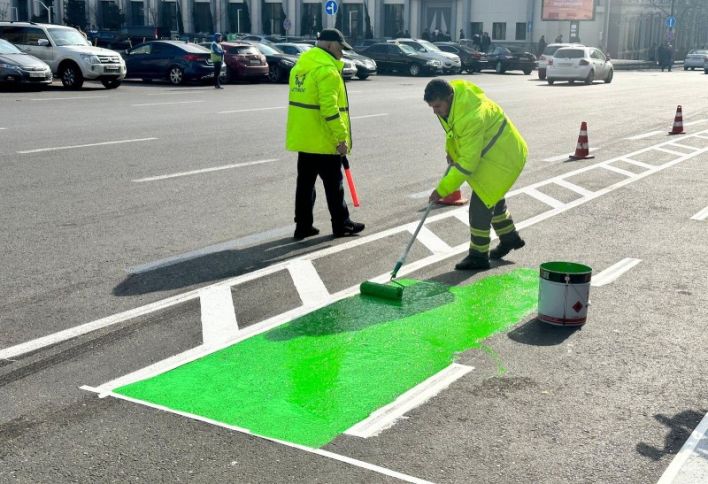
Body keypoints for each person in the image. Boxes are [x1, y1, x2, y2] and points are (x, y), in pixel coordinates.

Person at [424, 79, 527, 270]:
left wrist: (442, 190)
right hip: (493, 153)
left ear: (449, 98)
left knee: (480, 208)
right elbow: (453, 133)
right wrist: (451, 151)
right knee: (492, 198)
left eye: (437, 106)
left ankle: (478, 257)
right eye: (431, 107)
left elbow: (467, 164)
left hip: (504, 158)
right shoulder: (453, 104)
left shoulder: (471, 116)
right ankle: (510, 238)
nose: (435, 111)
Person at [286, 28, 365, 240]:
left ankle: (302, 226)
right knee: (334, 186)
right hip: (323, 140)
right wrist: (341, 138)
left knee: (304, 186)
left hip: (304, 138)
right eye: (340, 48)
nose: (342, 53)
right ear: (330, 45)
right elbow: (329, 109)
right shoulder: (327, 71)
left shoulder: (300, 67)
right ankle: (342, 224)